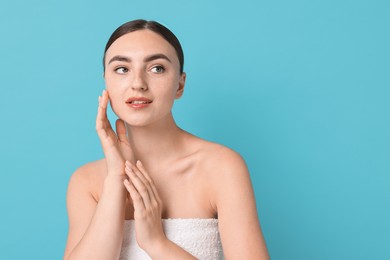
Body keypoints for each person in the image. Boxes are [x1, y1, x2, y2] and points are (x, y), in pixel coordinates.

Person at [63, 19, 269, 260]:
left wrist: (156, 243)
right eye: (122, 69)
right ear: (106, 81)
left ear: (180, 85)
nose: (138, 83)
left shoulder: (221, 167)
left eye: (157, 68)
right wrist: (115, 181)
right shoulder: (86, 182)